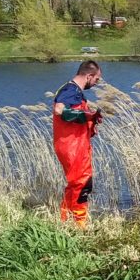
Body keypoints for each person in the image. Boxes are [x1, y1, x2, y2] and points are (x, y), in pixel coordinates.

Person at [52, 60, 103, 228]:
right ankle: (80, 225)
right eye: (96, 79)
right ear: (89, 76)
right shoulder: (71, 90)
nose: (96, 83)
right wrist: (84, 116)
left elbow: (74, 116)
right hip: (72, 147)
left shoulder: (74, 92)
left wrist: (91, 121)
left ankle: (65, 220)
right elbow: (59, 109)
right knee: (83, 184)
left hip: (73, 144)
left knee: (75, 184)